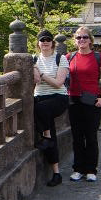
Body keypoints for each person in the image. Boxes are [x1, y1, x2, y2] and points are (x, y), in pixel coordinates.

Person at [67, 26, 101, 183]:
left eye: (85, 37)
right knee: (77, 136)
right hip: (74, 100)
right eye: (79, 38)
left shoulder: (98, 57)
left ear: (90, 40)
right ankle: (78, 169)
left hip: (92, 101)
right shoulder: (69, 57)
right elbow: (58, 74)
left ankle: (91, 169)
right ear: (75, 40)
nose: (82, 40)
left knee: (91, 136)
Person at [33, 29, 69, 187]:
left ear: (53, 43)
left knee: (40, 109)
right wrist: (36, 71)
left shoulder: (61, 59)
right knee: (40, 109)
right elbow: (35, 81)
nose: (45, 42)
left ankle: (46, 136)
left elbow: (58, 83)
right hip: (41, 98)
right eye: (42, 40)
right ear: (38, 43)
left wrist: (41, 74)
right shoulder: (33, 59)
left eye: (48, 39)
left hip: (58, 98)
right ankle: (56, 173)